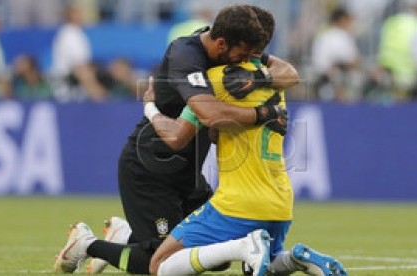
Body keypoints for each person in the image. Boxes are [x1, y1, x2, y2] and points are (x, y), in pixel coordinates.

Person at [53, 5, 299, 275]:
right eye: (243, 56)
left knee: (217, 257)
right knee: (160, 264)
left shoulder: (233, 53)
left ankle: (124, 236)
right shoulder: (186, 55)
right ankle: (87, 244)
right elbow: (207, 115)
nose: (246, 62)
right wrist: (263, 113)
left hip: (188, 169)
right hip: (150, 166)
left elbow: (291, 74)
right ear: (221, 45)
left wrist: (258, 77)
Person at [143, 40, 347, 276]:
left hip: (237, 203)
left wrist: (150, 107)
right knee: (259, 265)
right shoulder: (277, 81)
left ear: (226, 45)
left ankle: (242, 247)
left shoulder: (214, 81)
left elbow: (176, 137)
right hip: (280, 203)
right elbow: (291, 73)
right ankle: (295, 260)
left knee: (159, 265)